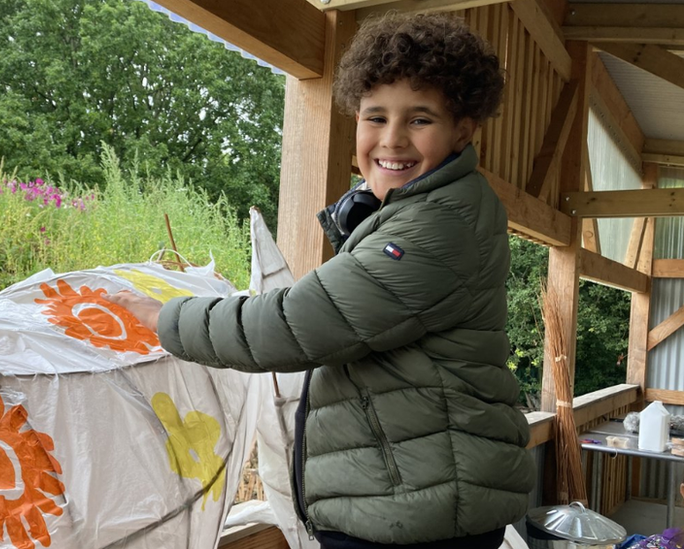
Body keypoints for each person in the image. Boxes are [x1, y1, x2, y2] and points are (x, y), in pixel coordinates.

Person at [105, 11, 535, 549]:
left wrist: (160, 316)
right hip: (416, 497)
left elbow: (294, 325)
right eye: (375, 117)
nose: (392, 139)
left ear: (462, 131)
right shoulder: (426, 212)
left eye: (419, 119)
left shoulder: (438, 225)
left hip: (415, 514)